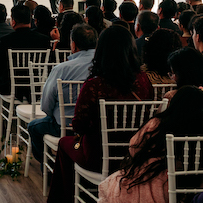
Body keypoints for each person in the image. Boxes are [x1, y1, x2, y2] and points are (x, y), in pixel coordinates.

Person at [47, 25, 153, 203]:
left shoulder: (95, 84)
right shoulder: (143, 81)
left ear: (101, 50)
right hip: (135, 156)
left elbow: (78, 124)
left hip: (98, 156)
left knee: (64, 144)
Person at [99, 86, 203, 203]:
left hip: (151, 179)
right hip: (190, 187)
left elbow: (134, 147)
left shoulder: (158, 123)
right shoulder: (198, 131)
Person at [27, 24, 98, 165]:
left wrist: (51, 114)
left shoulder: (62, 69)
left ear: (73, 45)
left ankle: (46, 165)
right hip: (96, 126)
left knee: (33, 127)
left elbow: (46, 103)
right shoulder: (104, 65)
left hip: (65, 125)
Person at [0, 4, 51, 133]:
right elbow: (47, 66)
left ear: (13, 21)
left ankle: (1, 126)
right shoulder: (44, 40)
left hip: (10, 85)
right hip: (36, 86)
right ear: (31, 20)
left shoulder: (5, 40)